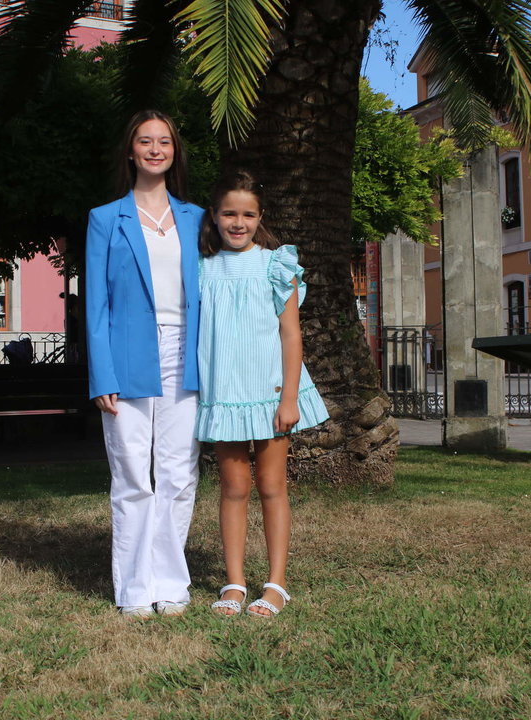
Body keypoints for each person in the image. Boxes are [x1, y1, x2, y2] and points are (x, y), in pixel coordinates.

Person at [85, 110, 204, 618]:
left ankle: (171, 584)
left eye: (164, 141)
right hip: (128, 355)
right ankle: (134, 589)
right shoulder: (105, 217)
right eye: (145, 141)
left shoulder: (198, 218)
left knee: (179, 474)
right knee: (133, 474)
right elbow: (96, 304)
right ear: (131, 150)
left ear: (174, 151)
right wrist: (101, 374)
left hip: (186, 353)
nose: (156, 149)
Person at [196, 171, 329, 618]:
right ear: (214, 217)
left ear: (260, 217)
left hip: (271, 393)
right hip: (224, 394)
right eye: (229, 213)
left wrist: (289, 397)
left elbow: (291, 335)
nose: (238, 222)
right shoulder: (200, 269)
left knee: (272, 486)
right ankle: (234, 582)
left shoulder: (277, 265)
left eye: (247, 214)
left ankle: (276, 584)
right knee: (233, 488)